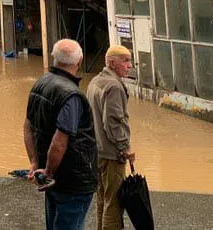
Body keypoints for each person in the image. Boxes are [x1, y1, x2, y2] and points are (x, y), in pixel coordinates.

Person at [23, 39, 97, 230]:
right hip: (72, 180)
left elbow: (28, 126)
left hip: (52, 177)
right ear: (79, 61)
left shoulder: (40, 83)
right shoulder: (72, 95)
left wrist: (35, 163)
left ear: (53, 57)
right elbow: (60, 142)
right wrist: (48, 172)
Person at [86, 45, 134, 230]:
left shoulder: (95, 81)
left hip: (97, 152)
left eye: (130, 61)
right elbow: (113, 122)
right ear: (112, 63)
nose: (129, 66)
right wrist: (125, 148)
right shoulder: (114, 86)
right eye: (125, 61)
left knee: (102, 199)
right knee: (113, 203)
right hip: (112, 154)